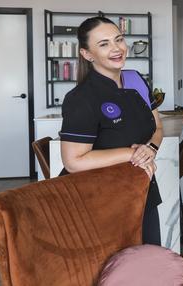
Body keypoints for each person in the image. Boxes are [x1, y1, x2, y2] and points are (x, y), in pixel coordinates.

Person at [59, 16, 163, 245]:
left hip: (142, 189)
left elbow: (157, 127)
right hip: (100, 200)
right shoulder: (81, 98)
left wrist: (151, 148)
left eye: (119, 39)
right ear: (87, 54)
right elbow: (74, 162)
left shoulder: (136, 80)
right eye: (104, 44)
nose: (116, 49)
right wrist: (132, 153)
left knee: (151, 262)